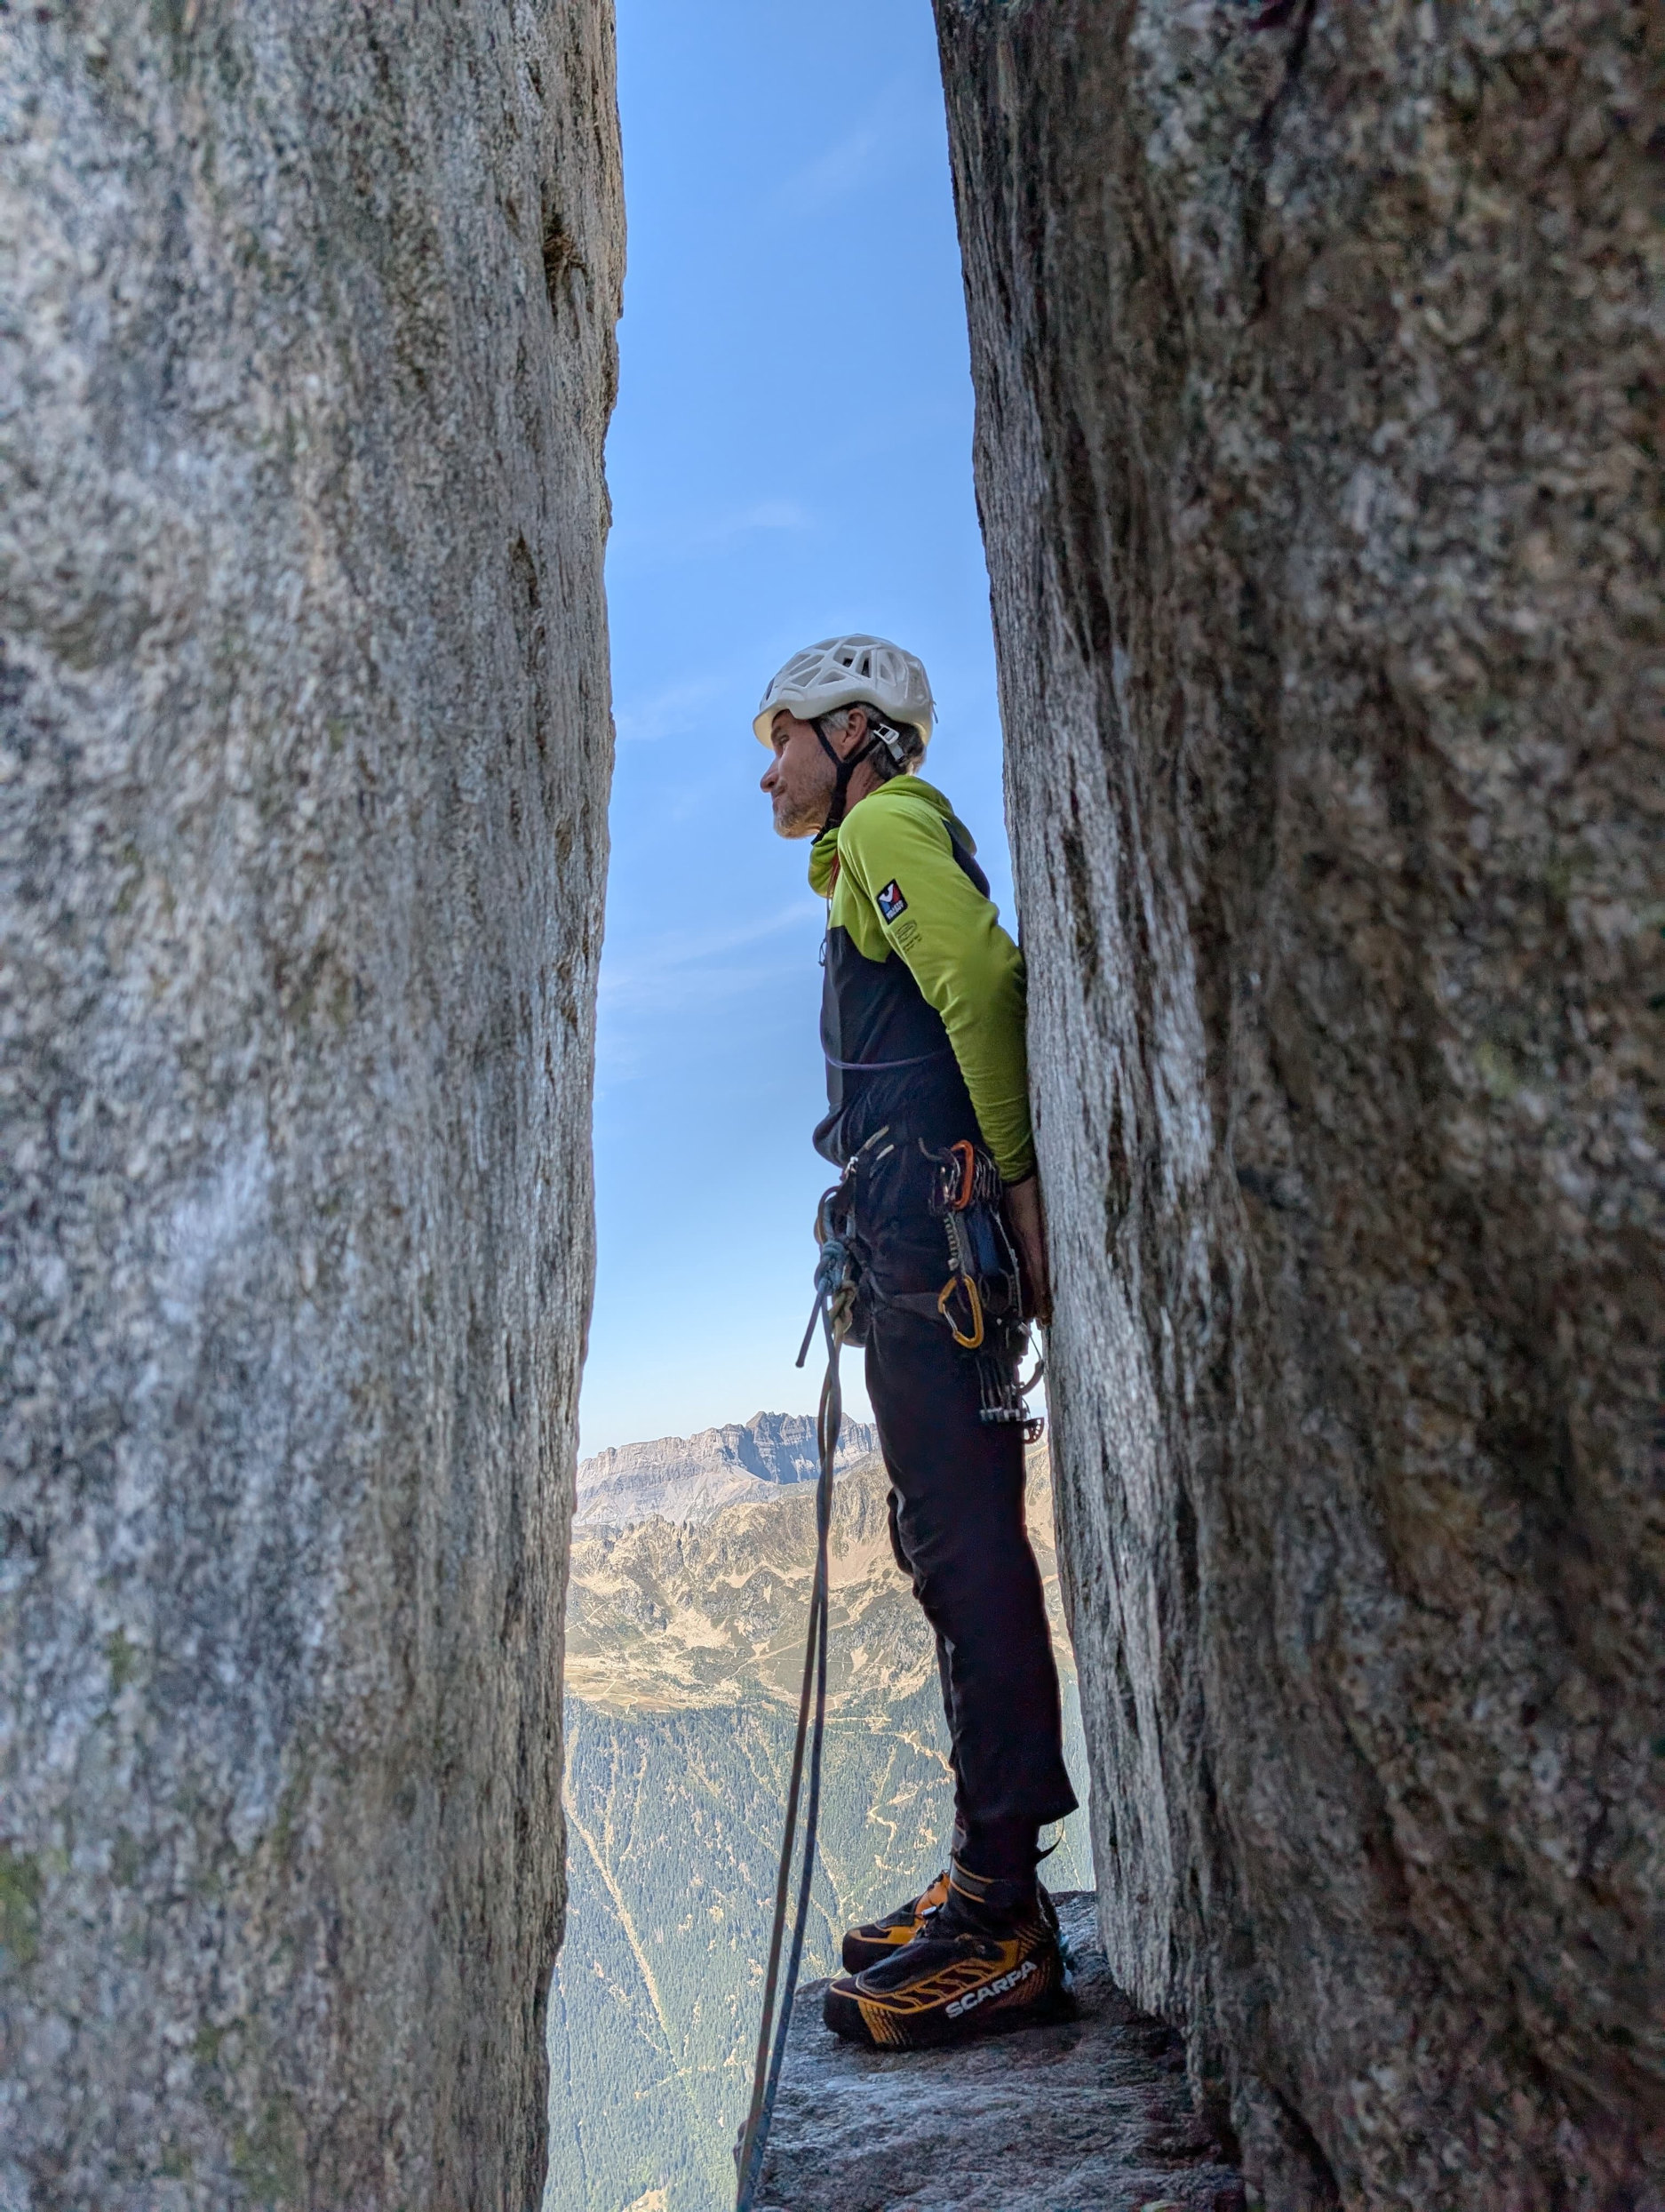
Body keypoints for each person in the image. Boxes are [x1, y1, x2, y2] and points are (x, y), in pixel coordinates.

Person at [754, 634, 1078, 2049]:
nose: (770, 767)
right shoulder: (868, 851)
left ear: (852, 732)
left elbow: (983, 989)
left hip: (933, 1245)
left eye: (785, 737)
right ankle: (979, 1878)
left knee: (964, 1549)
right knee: (948, 1547)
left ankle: (1004, 1916)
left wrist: (1014, 1188)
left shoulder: (883, 824)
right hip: (906, 1249)